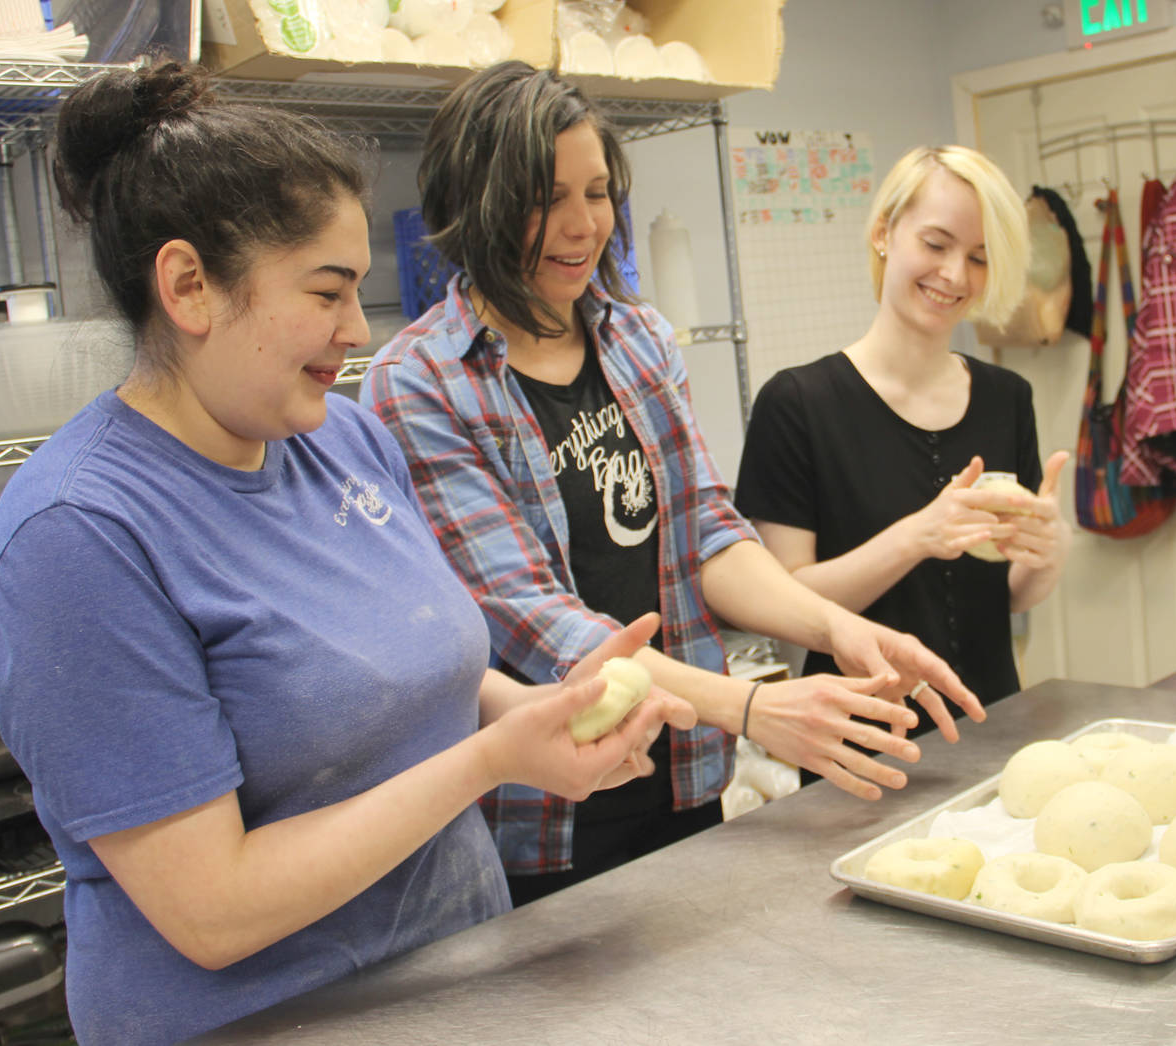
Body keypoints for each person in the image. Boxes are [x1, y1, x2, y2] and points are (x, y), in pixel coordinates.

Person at [0, 62, 692, 1045]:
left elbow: (424, 665)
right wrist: (491, 760)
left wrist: (542, 716)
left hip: (461, 981)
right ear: (189, 284)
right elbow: (212, 907)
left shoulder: (342, 440)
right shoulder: (81, 534)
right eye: (327, 291)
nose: (358, 331)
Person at [364, 61, 981, 905]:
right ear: (478, 205)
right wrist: (754, 709)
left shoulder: (637, 338)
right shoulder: (420, 381)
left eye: (597, 192)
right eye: (548, 198)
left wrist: (839, 627)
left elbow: (707, 532)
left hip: (684, 771)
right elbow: (540, 623)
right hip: (547, 815)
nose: (583, 226)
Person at [735, 146, 1072, 731]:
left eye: (980, 258)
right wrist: (916, 536)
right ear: (884, 233)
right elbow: (786, 603)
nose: (955, 276)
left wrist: (1047, 557)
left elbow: (1007, 594)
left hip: (993, 719)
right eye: (936, 245)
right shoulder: (796, 405)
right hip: (858, 738)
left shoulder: (1007, 398)